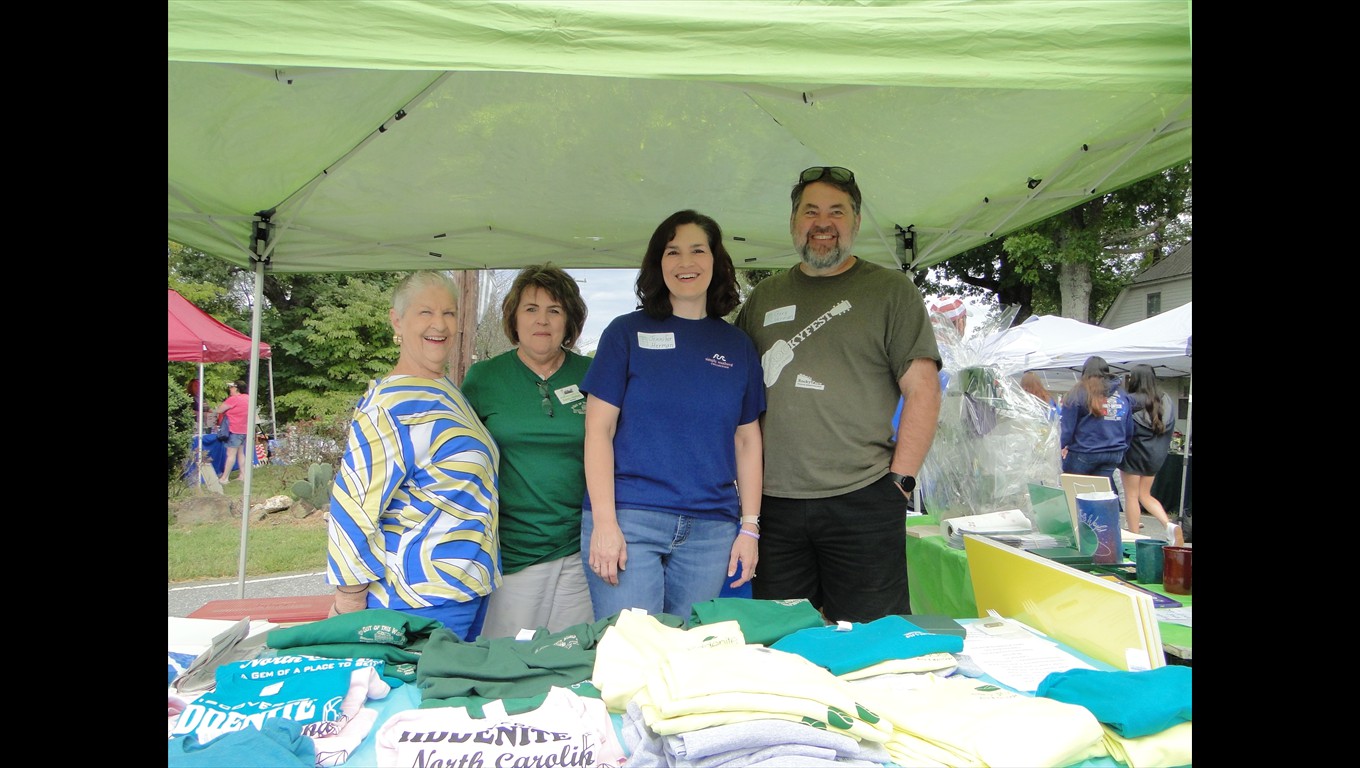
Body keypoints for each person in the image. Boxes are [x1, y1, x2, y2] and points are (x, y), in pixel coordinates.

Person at [735, 166, 942, 623]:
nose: (823, 223)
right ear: (793, 223)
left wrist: (900, 484)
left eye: (837, 212)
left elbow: (923, 391)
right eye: (811, 211)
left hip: (863, 497)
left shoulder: (891, 292)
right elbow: (734, 396)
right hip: (773, 506)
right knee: (782, 645)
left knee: (872, 643)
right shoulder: (763, 298)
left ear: (857, 222)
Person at [581, 209, 765, 622]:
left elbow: (747, 439)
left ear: (715, 261)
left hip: (711, 529)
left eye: (698, 250)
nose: (686, 263)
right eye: (673, 251)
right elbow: (598, 431)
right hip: (630, 519)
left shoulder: (737, 346)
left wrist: (749, 527)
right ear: (657, 263)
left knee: (691, 653)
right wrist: (605, 525)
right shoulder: (624, 334)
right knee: (634, 653)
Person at [325, 271, 501, 642]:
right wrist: (347, 603)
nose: (439, 324)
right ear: (397, 320)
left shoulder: (445, 389)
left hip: (463, 589)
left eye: (449, 313)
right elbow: (352, 509)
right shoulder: (389, 406)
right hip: (416, 601)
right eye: (425, 312)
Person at [461, 264, 595, 638]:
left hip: (579, 548)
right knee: (509, 660)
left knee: (571, 658)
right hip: (512, 551)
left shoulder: (595, 374)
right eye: (531, 309)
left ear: (569, 320)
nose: (543, 321)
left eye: (555, 310)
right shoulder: (484, 379)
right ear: (514, 318)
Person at [1059, 355, 1134, 495]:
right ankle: (1098, 516)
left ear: (1084, 373)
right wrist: (1122, 447)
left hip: (1085, 451)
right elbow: (1129, 428)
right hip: (1114, 453)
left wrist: (1061, 447)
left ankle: (1077, 517)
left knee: (1073, 494)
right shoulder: (1122, 395)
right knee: (1098, 495)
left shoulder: (1078, 393)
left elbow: (1067, 430)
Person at [1117, 364, 1178, 532]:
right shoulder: (1165, 399)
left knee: (1131, 496)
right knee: (1145, 495)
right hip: (1155, 457)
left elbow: (1124, 429)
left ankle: (1134, 535)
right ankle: (1170, 526)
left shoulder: (1130, 400)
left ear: (1134, 379)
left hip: (1133, 456)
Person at [213, 380, 250, 484]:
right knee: (240, 453)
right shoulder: (248, 398)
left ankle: (224, 478)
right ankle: (243, 475)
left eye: (231, 387)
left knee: (231, 454)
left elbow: (220, 410)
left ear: (236, 388)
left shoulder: (233, 399)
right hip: (244, 429)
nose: (230, 389)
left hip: (234, 429)